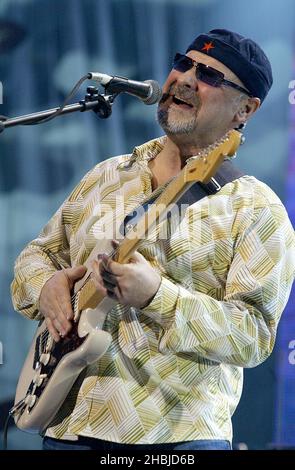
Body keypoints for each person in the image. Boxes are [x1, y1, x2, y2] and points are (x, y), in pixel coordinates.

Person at [11, 29, 295, 451]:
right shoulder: (108, 174)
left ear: (246, 110)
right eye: (183, 63)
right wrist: (48, 285)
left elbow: (253, 336)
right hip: (66, 428)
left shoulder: (256, 209)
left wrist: (157, 297)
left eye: (211, 77)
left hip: (176, 440)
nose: (185, 78)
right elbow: (38, 255)